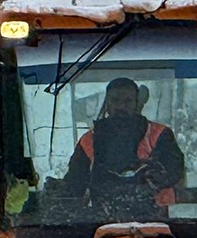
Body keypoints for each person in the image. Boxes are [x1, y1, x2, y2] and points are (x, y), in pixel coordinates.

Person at [59, 77, 185, 214]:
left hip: (153, 225)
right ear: (107, 103)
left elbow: (176, 174)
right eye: (115, 100)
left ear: (137, 104)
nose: (121, 106)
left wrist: (159, 181)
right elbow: (74, 185)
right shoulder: (89, 141)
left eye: (128, 101)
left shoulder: (160, 135)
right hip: (102, 226)